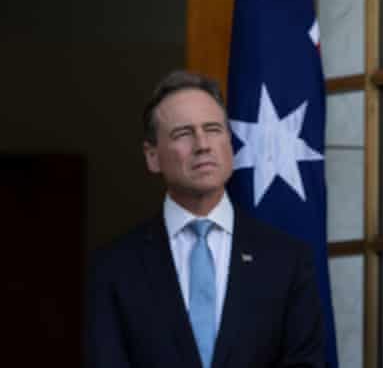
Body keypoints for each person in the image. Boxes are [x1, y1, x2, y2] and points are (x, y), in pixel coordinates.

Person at [86, 70, 325, 368]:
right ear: (152, 156)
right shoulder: (114, 268)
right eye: (183, 134)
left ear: (230, 143)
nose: (202, 145)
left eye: (213, 129)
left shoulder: (287, 260)